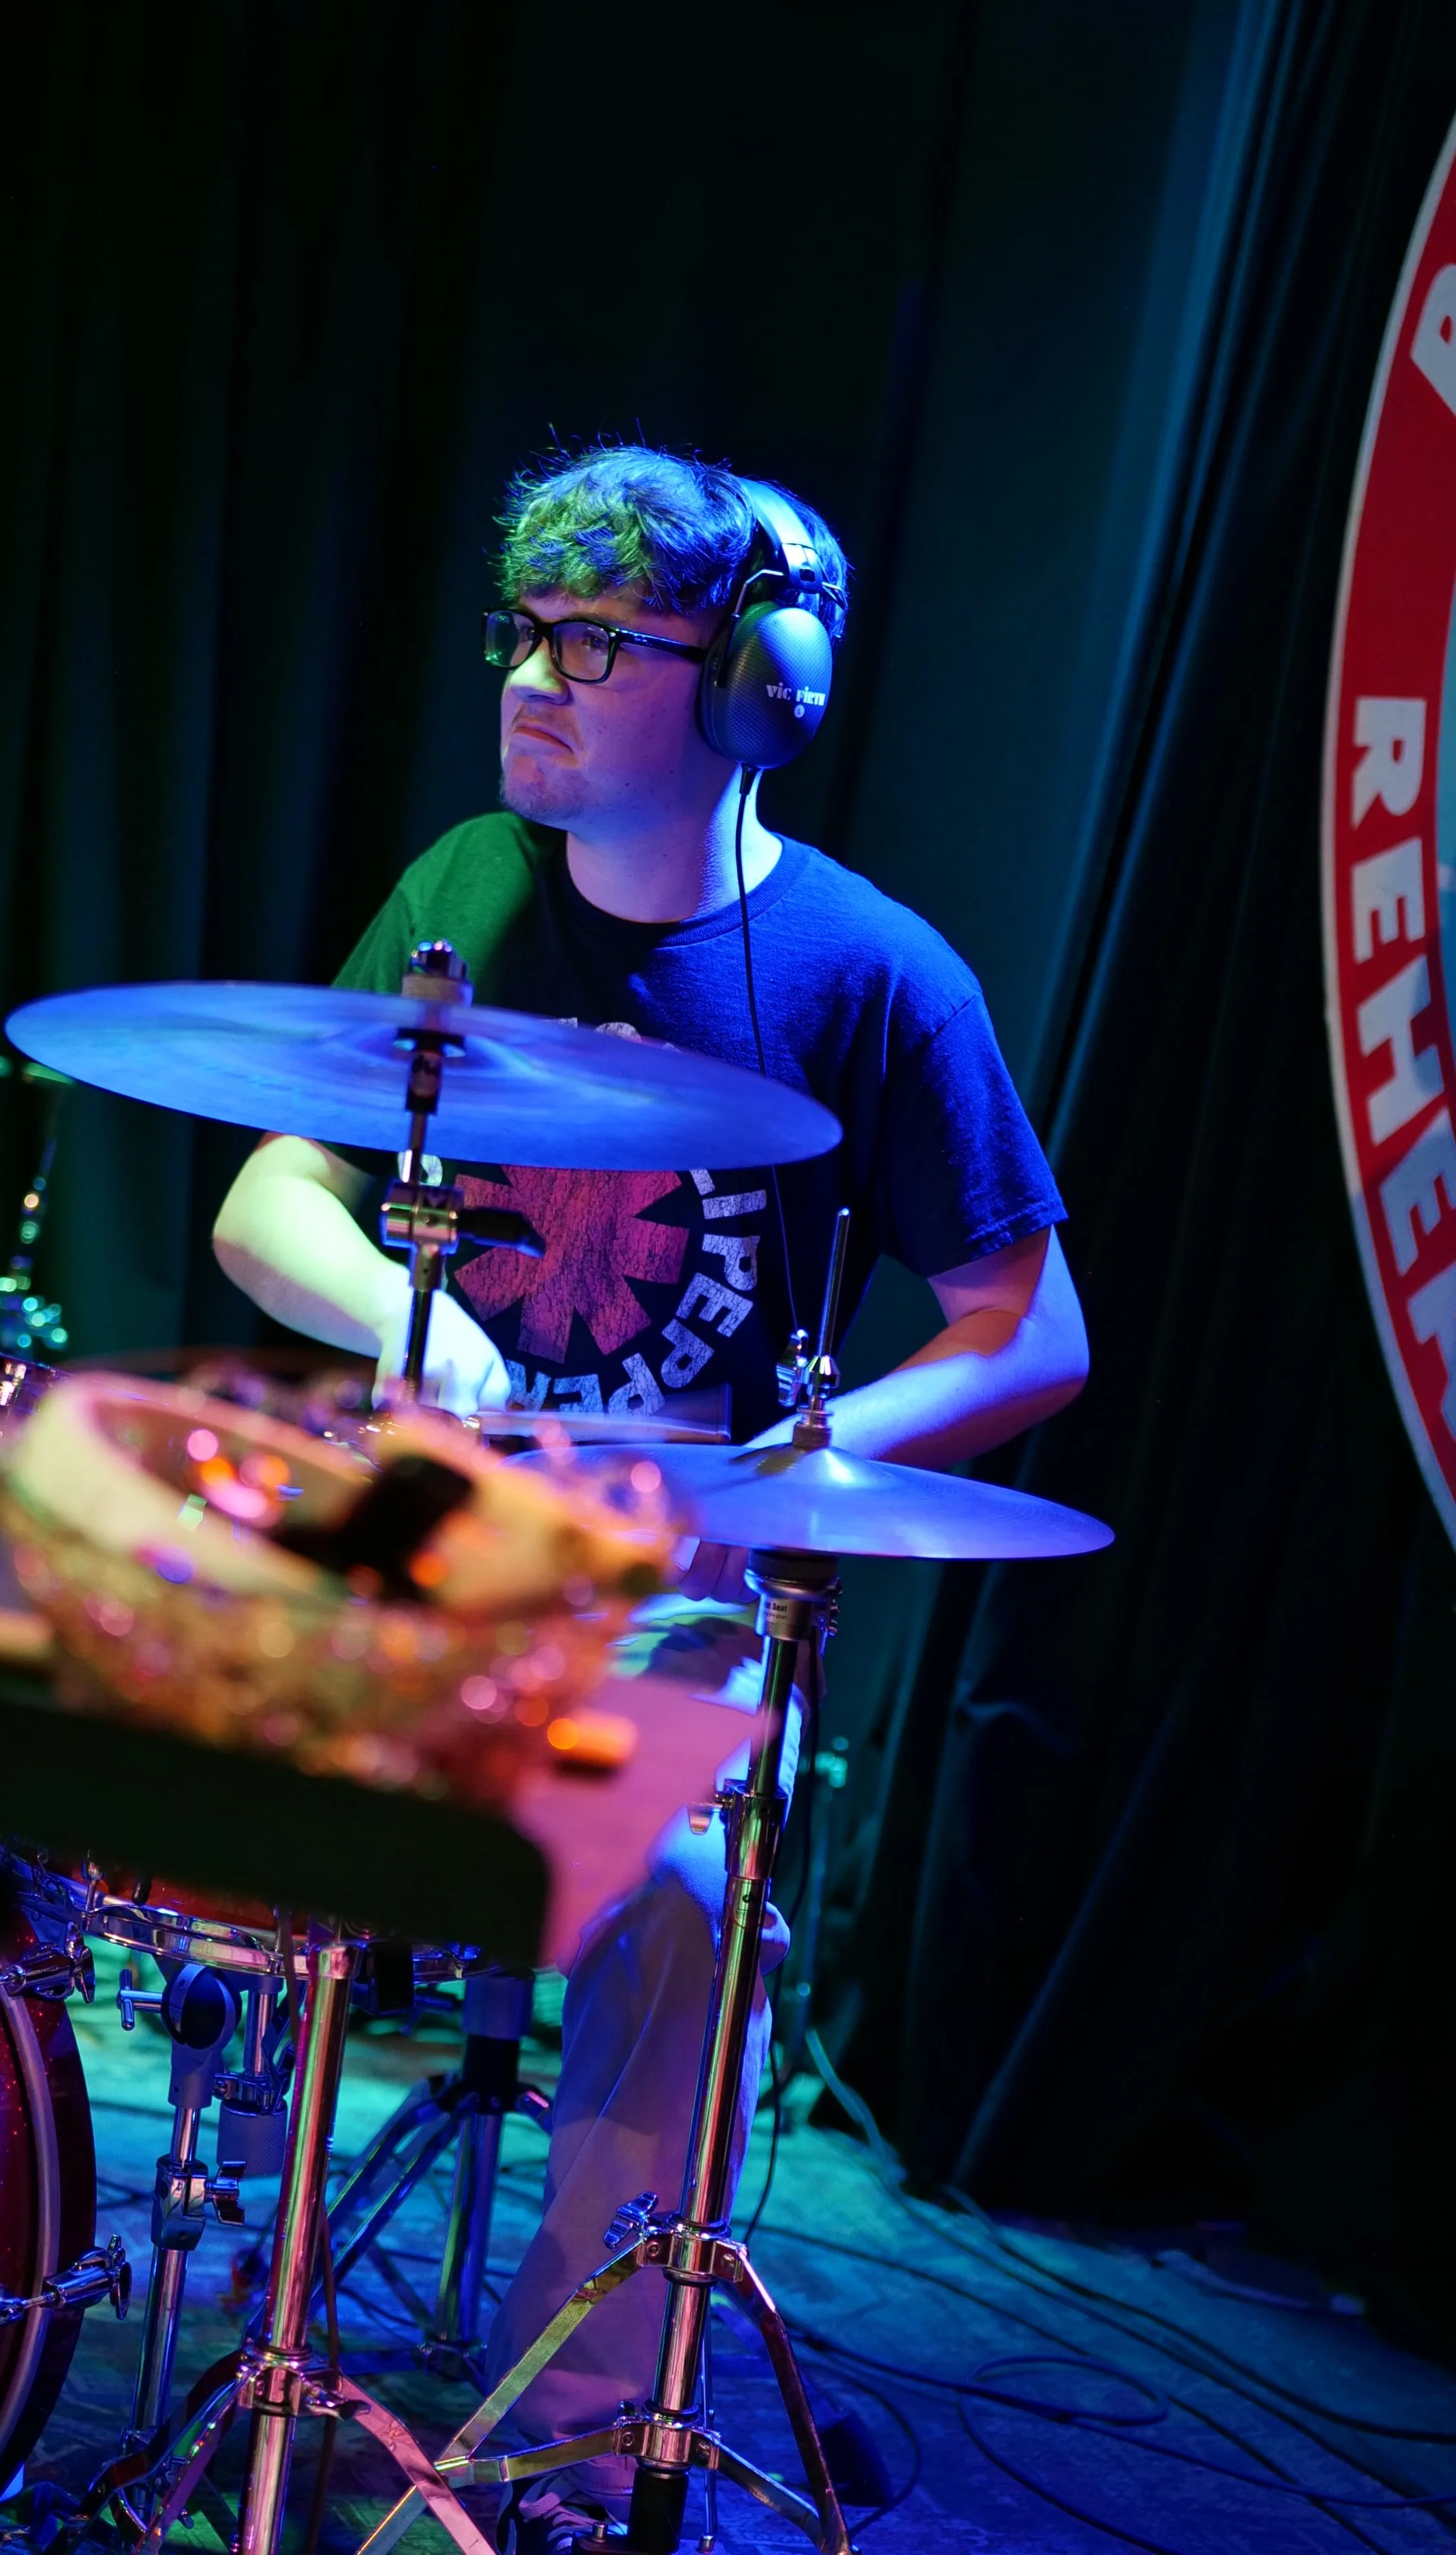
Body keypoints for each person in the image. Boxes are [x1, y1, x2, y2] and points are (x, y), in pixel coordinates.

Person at [213, 446, 1089, 2539]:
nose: (532, 676)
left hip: (670, 1598)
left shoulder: (884, 980)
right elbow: (268, 1194)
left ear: (756, 687)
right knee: (169, 1690)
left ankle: (550, 2441)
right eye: (521, 629)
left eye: (596, 642)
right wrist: (421, 1337)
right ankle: (213, 2322)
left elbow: (1027, 1329)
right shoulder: (465, 887)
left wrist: (789, 1471)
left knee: (691, 1900)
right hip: (434, 1542)